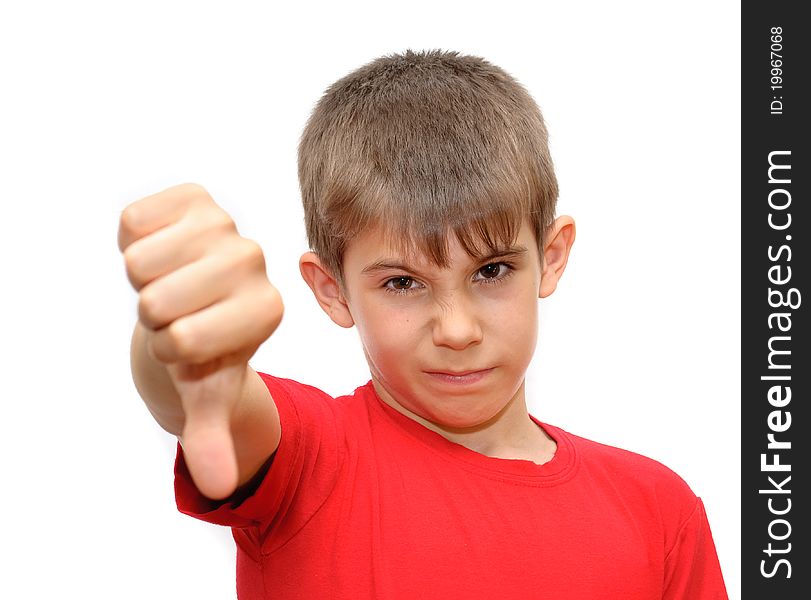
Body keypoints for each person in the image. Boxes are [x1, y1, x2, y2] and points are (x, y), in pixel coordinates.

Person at [118, 50, 728, 599]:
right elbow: (201, 399)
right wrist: (184, 335)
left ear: (553, 255)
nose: (456, 329)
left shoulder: (657, 511)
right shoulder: (308, 462)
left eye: (491, 270)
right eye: (403, 284)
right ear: (331, 290)